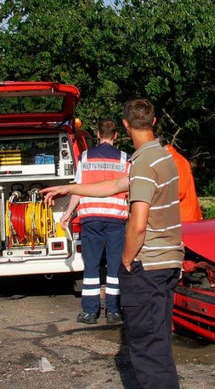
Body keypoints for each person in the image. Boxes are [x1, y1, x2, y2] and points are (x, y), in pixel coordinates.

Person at [42, 99, 183, 389]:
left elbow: (139, 222)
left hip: (148, 266)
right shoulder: (161, 156)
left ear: (126, 125)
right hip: (168, 262)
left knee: (145, 348)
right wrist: (69, 188)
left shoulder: (144, 163)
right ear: (154, 122)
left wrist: (127, 260)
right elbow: (115, 185)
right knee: (158, 344)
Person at [62, 120, 130, 325]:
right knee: (114, 267)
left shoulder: (85, 157)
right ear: (116, 136)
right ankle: (113, 311)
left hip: (91, 218)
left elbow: (77, 189)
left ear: (98, 135)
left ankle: (90, 313)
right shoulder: (125, 159)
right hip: (116, 220)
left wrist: (68, 212)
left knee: (91, 267)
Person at [164, 143, 202, 222]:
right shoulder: (171, 159)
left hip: (185, 217)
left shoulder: (176, 161)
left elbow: (179, 191)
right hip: (181, 216)